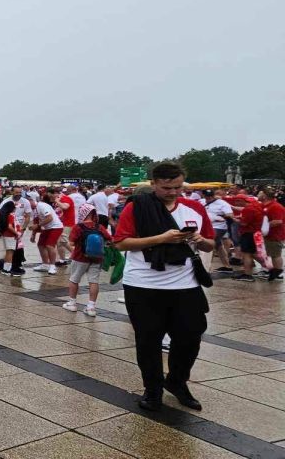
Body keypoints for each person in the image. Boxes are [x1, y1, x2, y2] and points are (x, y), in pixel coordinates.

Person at [113, 162, 214, 413]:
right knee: (148, 340)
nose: (173, 192)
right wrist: (162, 239)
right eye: (166, 188)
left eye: (178, 187)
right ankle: (153, 389)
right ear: (154, 184)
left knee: (190, 337)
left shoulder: (194, 207)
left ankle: (177, 381)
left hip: (185, 285)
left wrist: (200, 240)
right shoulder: (137, 207)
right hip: (144, 285)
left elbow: (211, 244)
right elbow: (121, 242)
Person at [62, 204, 111, 317]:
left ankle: (72, 303)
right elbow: (109, 239)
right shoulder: (99, 227)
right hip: (97, 258)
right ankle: (91, 307)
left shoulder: (78, 227)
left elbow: (71, 243)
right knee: (93, 281)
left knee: (74, 279)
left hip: (80, 257)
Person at [30, 191, 65, 275]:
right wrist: (33, 235)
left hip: (56, 227)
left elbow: (50, 218)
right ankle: (45, 264)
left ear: (32, 201)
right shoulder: (33, 209)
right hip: (47, 228)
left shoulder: (42, 206)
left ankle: (52, 266)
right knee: (41, 245)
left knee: (49, 245)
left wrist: (38, 225)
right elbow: (36, 222)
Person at [202, 189, 236, 273]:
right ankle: (227, 266)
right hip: (207, 226)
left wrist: (221, 216)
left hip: (218, 227)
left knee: (207, 243)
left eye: (211, 196)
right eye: (207, 196)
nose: (209, 198)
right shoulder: (201, 201)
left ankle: (205, 267)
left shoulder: (222, 203)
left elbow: (230, 214)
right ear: (204, 196)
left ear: (213, 195)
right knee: (218, 245)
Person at [260, 188, 284, 281]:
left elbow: (278, 221)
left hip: (275, 234)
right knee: (272, 254)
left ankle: (278, 273)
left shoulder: (275, 206)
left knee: (276, 254)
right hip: (269, 234)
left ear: (265, 196)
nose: (258, 195)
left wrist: (263, 226)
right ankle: (275, 271)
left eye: (260, 193)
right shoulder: (266, 205)